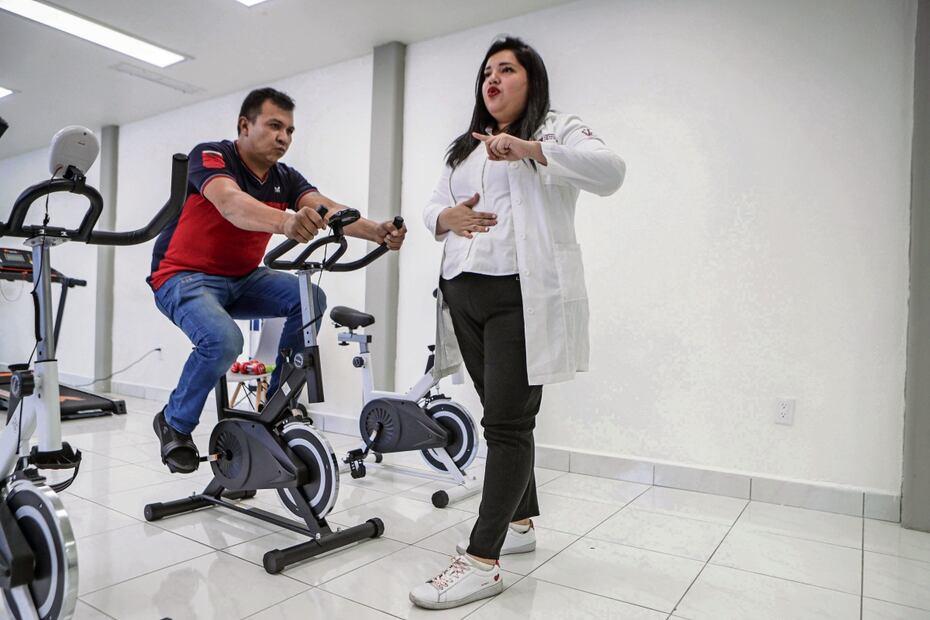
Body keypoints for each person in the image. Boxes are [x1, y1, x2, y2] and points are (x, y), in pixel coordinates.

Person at [409, 37, 625, 610]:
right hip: (463, 294)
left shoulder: (557, 130)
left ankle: (483, 561)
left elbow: (610, 173)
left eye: (506, 69)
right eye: (486, 72)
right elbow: (432, 206)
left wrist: (531, 148)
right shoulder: (464, 148)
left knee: (508, 425)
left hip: (521, 300)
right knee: (500, 419)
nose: (492, 79)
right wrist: (444, 218)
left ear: (532, 81)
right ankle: (521, 525)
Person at [148, 87, 406, 474]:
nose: (283, 137)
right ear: (244, 125)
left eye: (289, 130)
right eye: (273, 126)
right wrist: (286, 221)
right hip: (183, 278)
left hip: (242, 279)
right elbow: (231, 204)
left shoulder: (284, 177)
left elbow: (327, 207)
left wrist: (376, 231)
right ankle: (174, 422)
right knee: (223, 341)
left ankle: (280, 402)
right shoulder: (212, 156)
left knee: (309, 298)